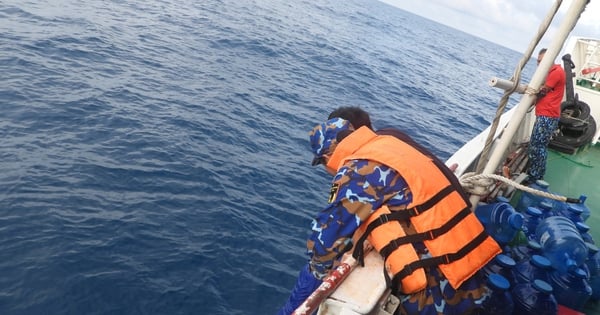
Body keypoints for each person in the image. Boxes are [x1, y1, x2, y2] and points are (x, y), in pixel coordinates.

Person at [278, 112, 502, 315]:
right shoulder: (390, 145)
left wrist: (304, 290)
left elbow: (326, 239)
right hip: (471, 266)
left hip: (440, 287)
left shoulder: (356, 170)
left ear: (327, 155)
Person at [527, 48, 565, 181]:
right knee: (536, 144)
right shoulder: (553, 72)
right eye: (538, 61)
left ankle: (535, 176)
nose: (539, 64)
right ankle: (535, 172)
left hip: (547, 116)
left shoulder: (555, 72)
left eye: (541, 61)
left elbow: (543, 91)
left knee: (538, 146)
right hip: (546, 114)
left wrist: (529, 92)